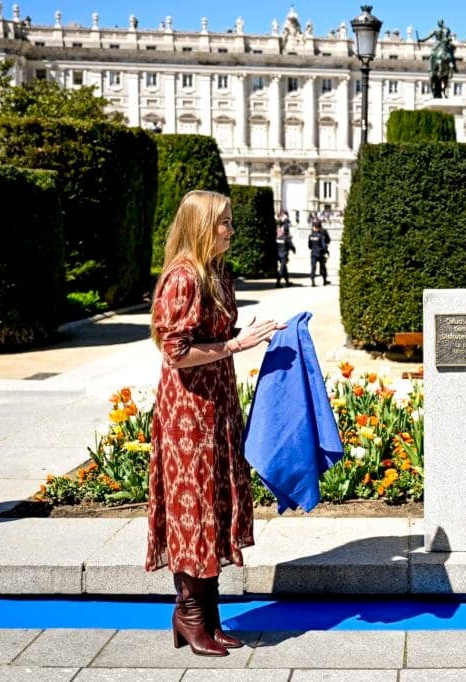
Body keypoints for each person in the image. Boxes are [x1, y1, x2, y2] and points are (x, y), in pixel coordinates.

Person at [146, 190, 284, 657]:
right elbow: (176, 352)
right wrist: (236, 347)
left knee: (216, 502)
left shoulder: (217, 273)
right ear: (202, 226)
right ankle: (188, 614)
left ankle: (208, 613)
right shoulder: (183, 278)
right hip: (188, 410)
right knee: (193, 508)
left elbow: (224, 334)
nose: (231, 228)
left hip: (217, 401)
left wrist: (258, 335)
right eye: (224, 222)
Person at [307, 220, 329, 286]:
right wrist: (326, 252)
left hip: (313, 253)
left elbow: (309, 246)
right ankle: (324, 281)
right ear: (319, 227)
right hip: (320, 253)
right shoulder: (321, 235)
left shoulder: (310, 235)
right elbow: (324, 245)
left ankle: (313, 282)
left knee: (313, 268)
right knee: (323, 267)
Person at [275, 218, 295, 287]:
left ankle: (287, 282)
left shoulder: (278, 237)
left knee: (284, 269)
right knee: (282, 268)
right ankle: (278, 282)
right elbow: (291, 246)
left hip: (278, 255)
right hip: (284, 255)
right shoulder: (287, 238)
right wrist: (294, 250)